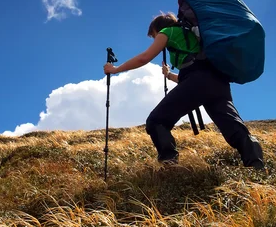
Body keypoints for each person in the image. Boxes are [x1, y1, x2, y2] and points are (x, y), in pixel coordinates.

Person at [103, 12, 265, 169]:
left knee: (156, 121)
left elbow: (144, 58)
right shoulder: (193, 35)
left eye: (153, 35)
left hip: (198, 81)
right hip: (219, 82)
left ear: (158, 28)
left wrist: (115, 69)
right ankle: (256, 165)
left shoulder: (167, 31)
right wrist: (169, 75)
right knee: (232, 126)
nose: (153, 38)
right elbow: (190, 75)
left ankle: (170, 165)